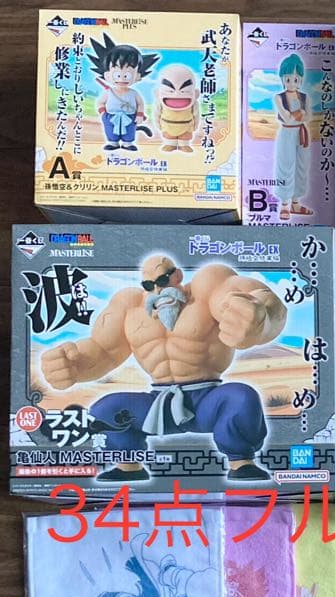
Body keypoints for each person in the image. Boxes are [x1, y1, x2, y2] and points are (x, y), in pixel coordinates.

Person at [40, 254, 287, 483]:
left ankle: (241, 463)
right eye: (149, 285)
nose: (157, 290)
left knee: (241, 397)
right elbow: (103, 351)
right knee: (106, 409)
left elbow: (260, 298)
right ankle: (128, 466)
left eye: (162, 280)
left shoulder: (208, 286)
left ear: (177, 275)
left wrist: (260, 317)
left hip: (208, 401)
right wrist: (72, 365)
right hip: (158, 405)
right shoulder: (129, 307)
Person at [274, 55, 313, 218]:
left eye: (295, 79)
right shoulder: (279, 97)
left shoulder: (305, 97)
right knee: (285, 165)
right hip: (286, 133)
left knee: (302, 166)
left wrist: (297, 115)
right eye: (288, 79)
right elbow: (287, 118)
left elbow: (308, 116)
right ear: (283, 79)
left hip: (302, 133)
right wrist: (299, 113)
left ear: (300, 80)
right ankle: (284, 204)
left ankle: (295, 204)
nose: (292, 83)